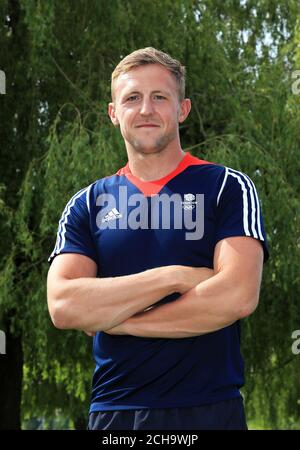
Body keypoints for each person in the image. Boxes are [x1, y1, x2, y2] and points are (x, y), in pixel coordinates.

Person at [47, 47, 269, 430]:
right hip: (114, 412)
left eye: (159, 97)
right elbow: (65, 305)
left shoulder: (226, 188)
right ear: (114, 114)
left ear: (182, 109)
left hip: (210, 410)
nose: (146, 109)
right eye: (132, 98)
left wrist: (115, 319)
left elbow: (236, 296)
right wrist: (175, 276)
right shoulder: (86, 203)